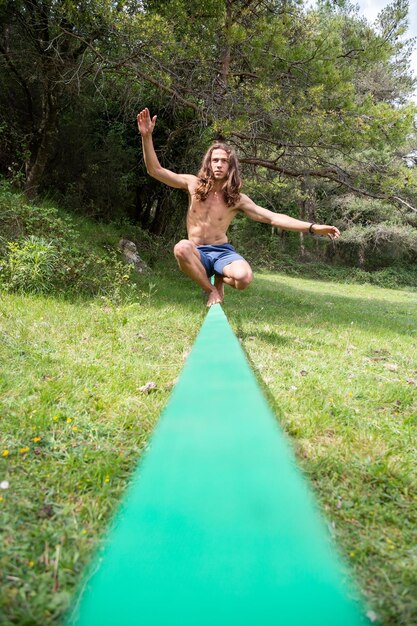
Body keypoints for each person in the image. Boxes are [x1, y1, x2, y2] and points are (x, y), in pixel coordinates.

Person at [137, 108, 340, 307]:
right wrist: (146, 137)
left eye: (223, 161)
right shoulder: (192, 184)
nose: (218, 165)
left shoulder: (236, 199)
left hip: (222, 251)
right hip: (197, 252)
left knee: (244, 279)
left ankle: (220, 276)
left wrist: (313, 227)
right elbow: (155, 170)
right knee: (181, 247)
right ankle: (212, 290)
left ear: (230, 166)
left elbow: (273, 218)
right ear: (208, 163)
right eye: (215, 160)